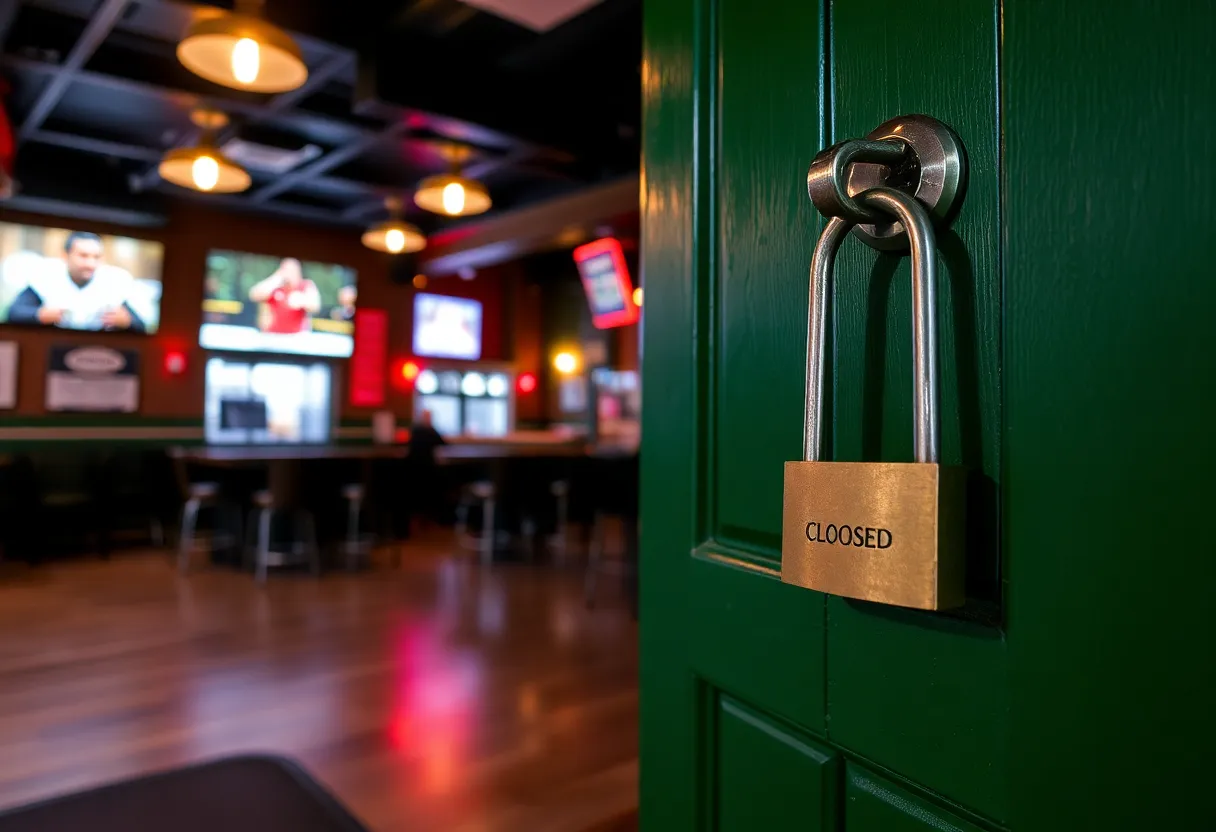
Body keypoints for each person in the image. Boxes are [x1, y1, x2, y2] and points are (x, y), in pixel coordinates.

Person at [6, 232, 147, 331]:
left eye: (96, 257)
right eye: (83, 256)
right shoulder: (46, 275)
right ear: (65, 256)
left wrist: (127, 322)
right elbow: (13, 313)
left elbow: (141, 326)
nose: (90, 264)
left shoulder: (113, 281)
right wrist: (38, 315)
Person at [247, 258, 320, 334]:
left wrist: (302, 300)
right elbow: (253, 295)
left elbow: (315, 305)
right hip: (271, 334)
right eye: (286, 270)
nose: (289, 274)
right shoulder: (274, 285)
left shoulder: (305, 285)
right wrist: (275, 278)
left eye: (292, 271)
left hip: (297, 335)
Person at [407, 409, 447, 530]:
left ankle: (421, 519)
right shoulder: (428, 431)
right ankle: (428, 520)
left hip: (417, 471)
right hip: (426, 471)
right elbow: (444, 444)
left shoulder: (417, 431)